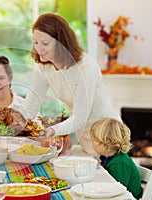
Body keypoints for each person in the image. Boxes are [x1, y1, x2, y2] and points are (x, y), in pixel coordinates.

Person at [23, 13, 120, 155]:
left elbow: (80, 117)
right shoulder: (43, 66)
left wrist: (52, 130)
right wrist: (12, 126)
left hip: (109, 138)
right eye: (36, 42)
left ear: (61, 42)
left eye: (45, 43)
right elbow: (30, 106)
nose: (39, 48)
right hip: (86, 141)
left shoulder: (85, 67)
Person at [89, 118, 142, 199]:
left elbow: (117, 192)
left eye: (94, 140)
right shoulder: (110, 158)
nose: (91, 142)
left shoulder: (120, 163)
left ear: (106, 142)